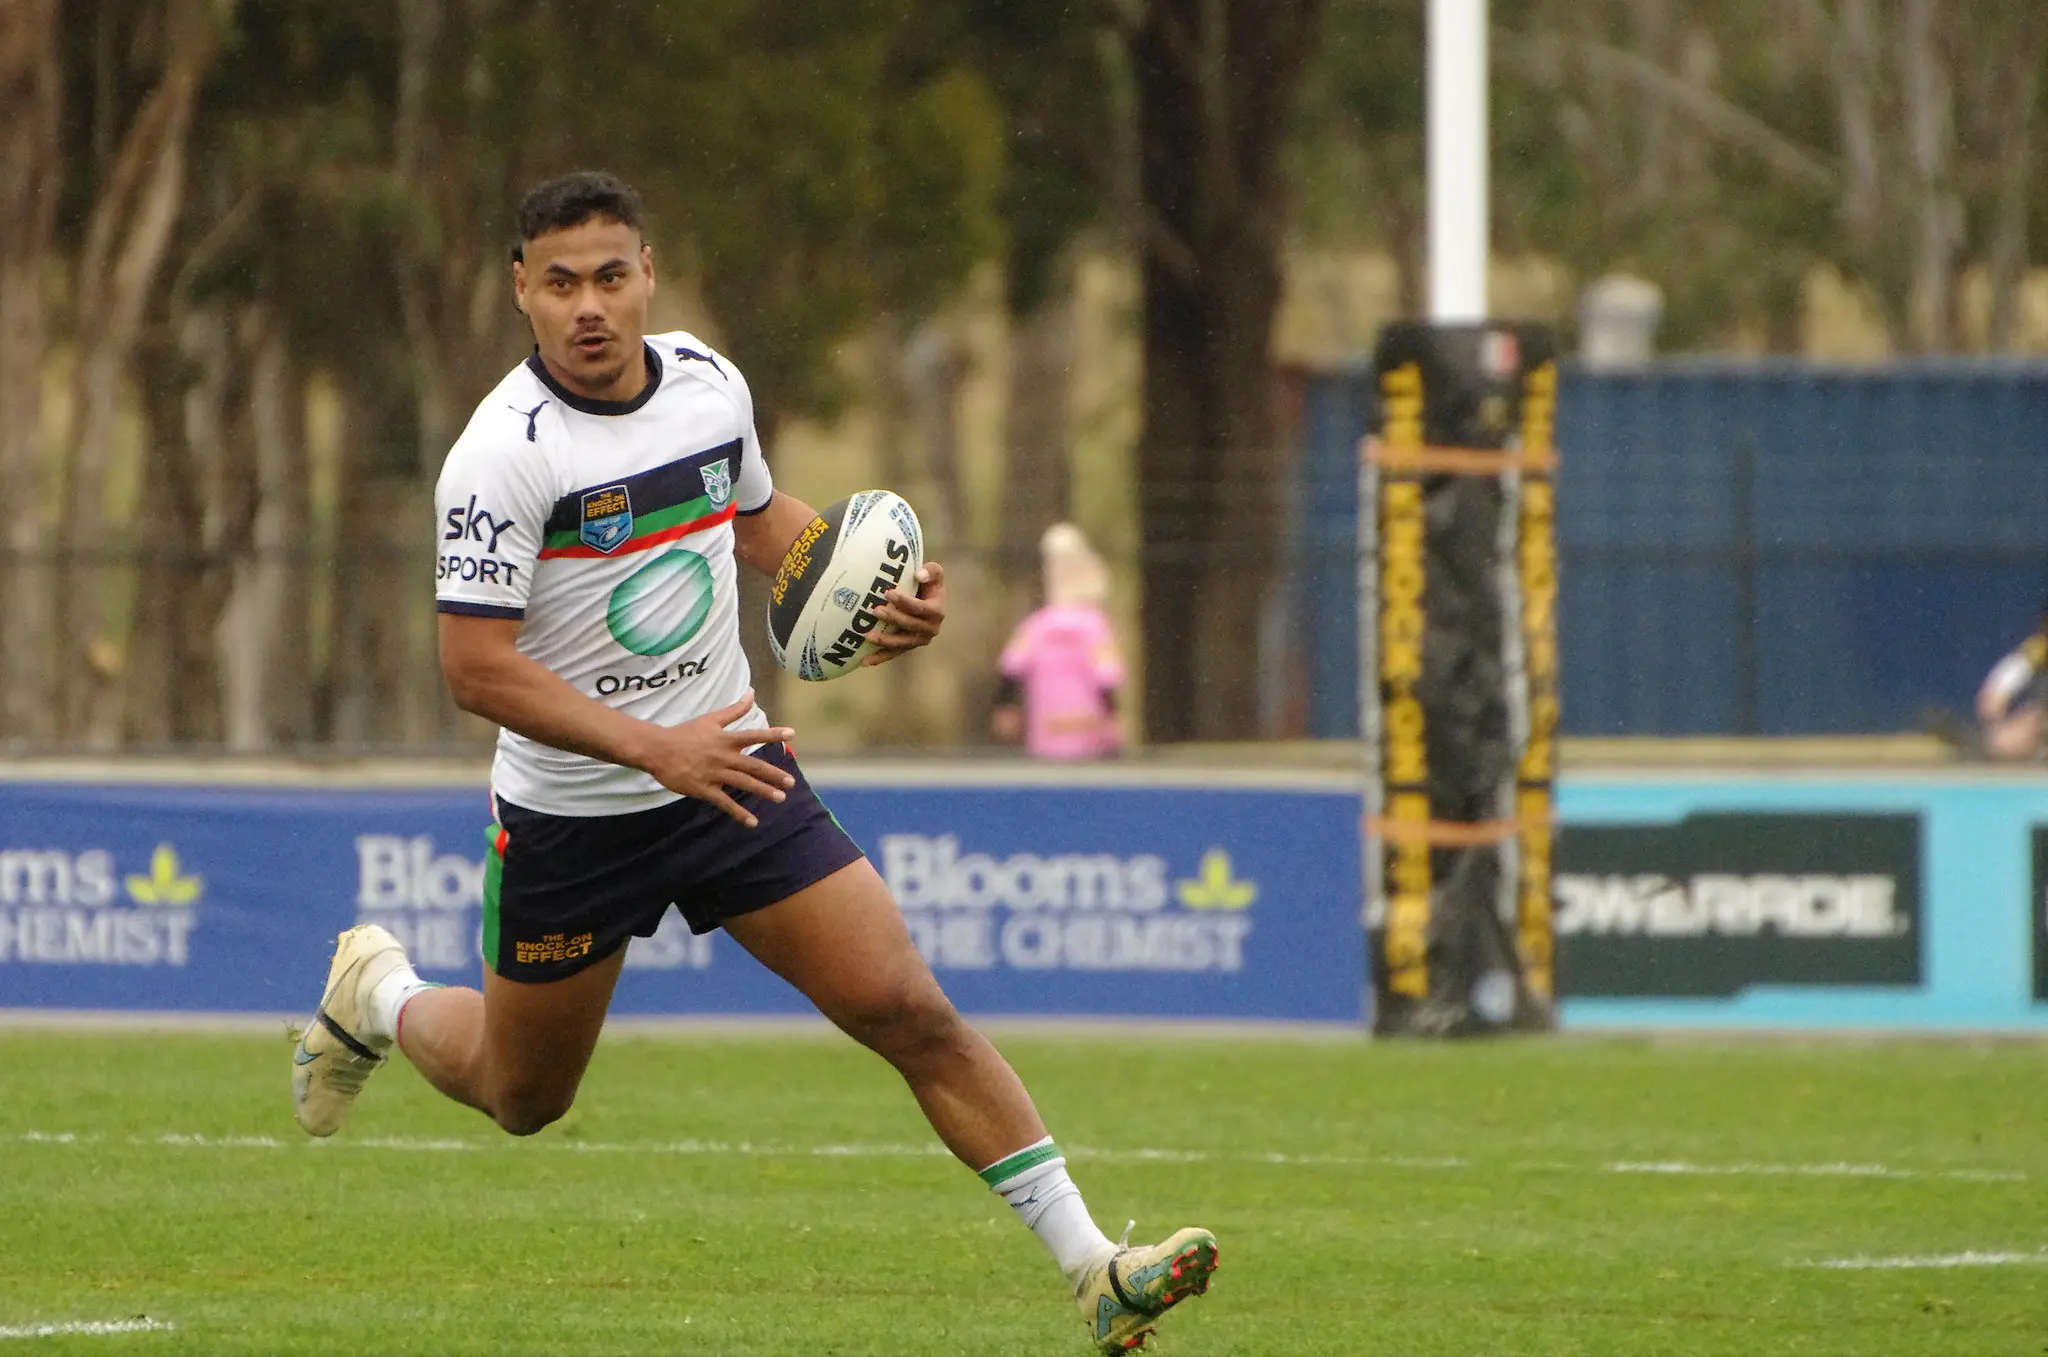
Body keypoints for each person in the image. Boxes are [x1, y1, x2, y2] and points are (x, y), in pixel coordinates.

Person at [288, 172, 1214, 1353]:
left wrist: (871, 594)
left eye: (610, 277)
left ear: (648, 273)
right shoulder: (499, 455)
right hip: (575, 816)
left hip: (731, 769)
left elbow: (757, 520)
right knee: (521, 1096)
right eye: (561, 283)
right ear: (520, 288)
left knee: (905, 1005)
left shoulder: (707, 386)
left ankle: (1094, 1270)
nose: (588, 306)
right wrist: (651, 749)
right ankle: (377, 989)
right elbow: (474, 667)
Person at [991, 524, 1125, 760]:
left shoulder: (1037, 625)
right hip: (1088, 737)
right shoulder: (1095, 626)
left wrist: (1006, 706)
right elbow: (1106, 677)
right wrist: (1114, 718)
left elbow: (1011, 668)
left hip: (1048, 736)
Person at [1977, 599, 2048, 761]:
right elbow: (1995, 693)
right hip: (2043, 719)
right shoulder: (2038, 650)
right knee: (2002, 744)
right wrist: (1996, 722)